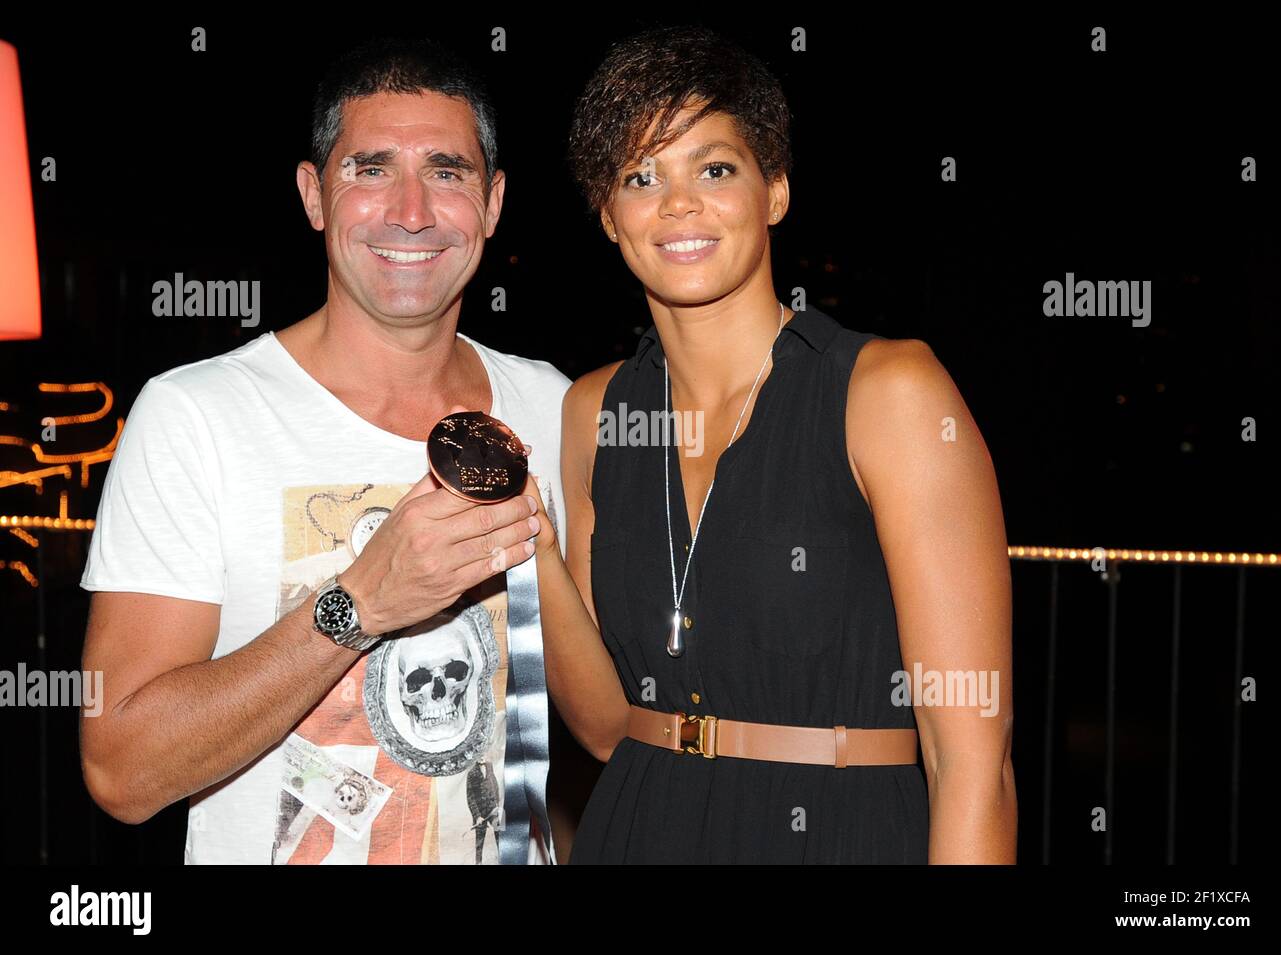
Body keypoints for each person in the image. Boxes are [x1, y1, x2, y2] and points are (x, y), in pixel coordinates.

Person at [525, 25, 1016, 863]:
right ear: (609, 216)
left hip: (840, 831)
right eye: (641, 177)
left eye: (714, 168)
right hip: (639, 826)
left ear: (775, 191)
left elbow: (971, 762)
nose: (678, 204)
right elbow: (606, 725)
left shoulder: (887, 392)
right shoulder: (593, 410)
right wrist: (529, 541)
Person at [78, 36, 569, 864]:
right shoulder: (196, 416)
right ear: (313, 195)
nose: (410, 210)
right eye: (370, 169)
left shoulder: (552, 406)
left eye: (447, 171)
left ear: (492, 203)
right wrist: (358, 606)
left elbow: (584, 733)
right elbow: (121, 769)